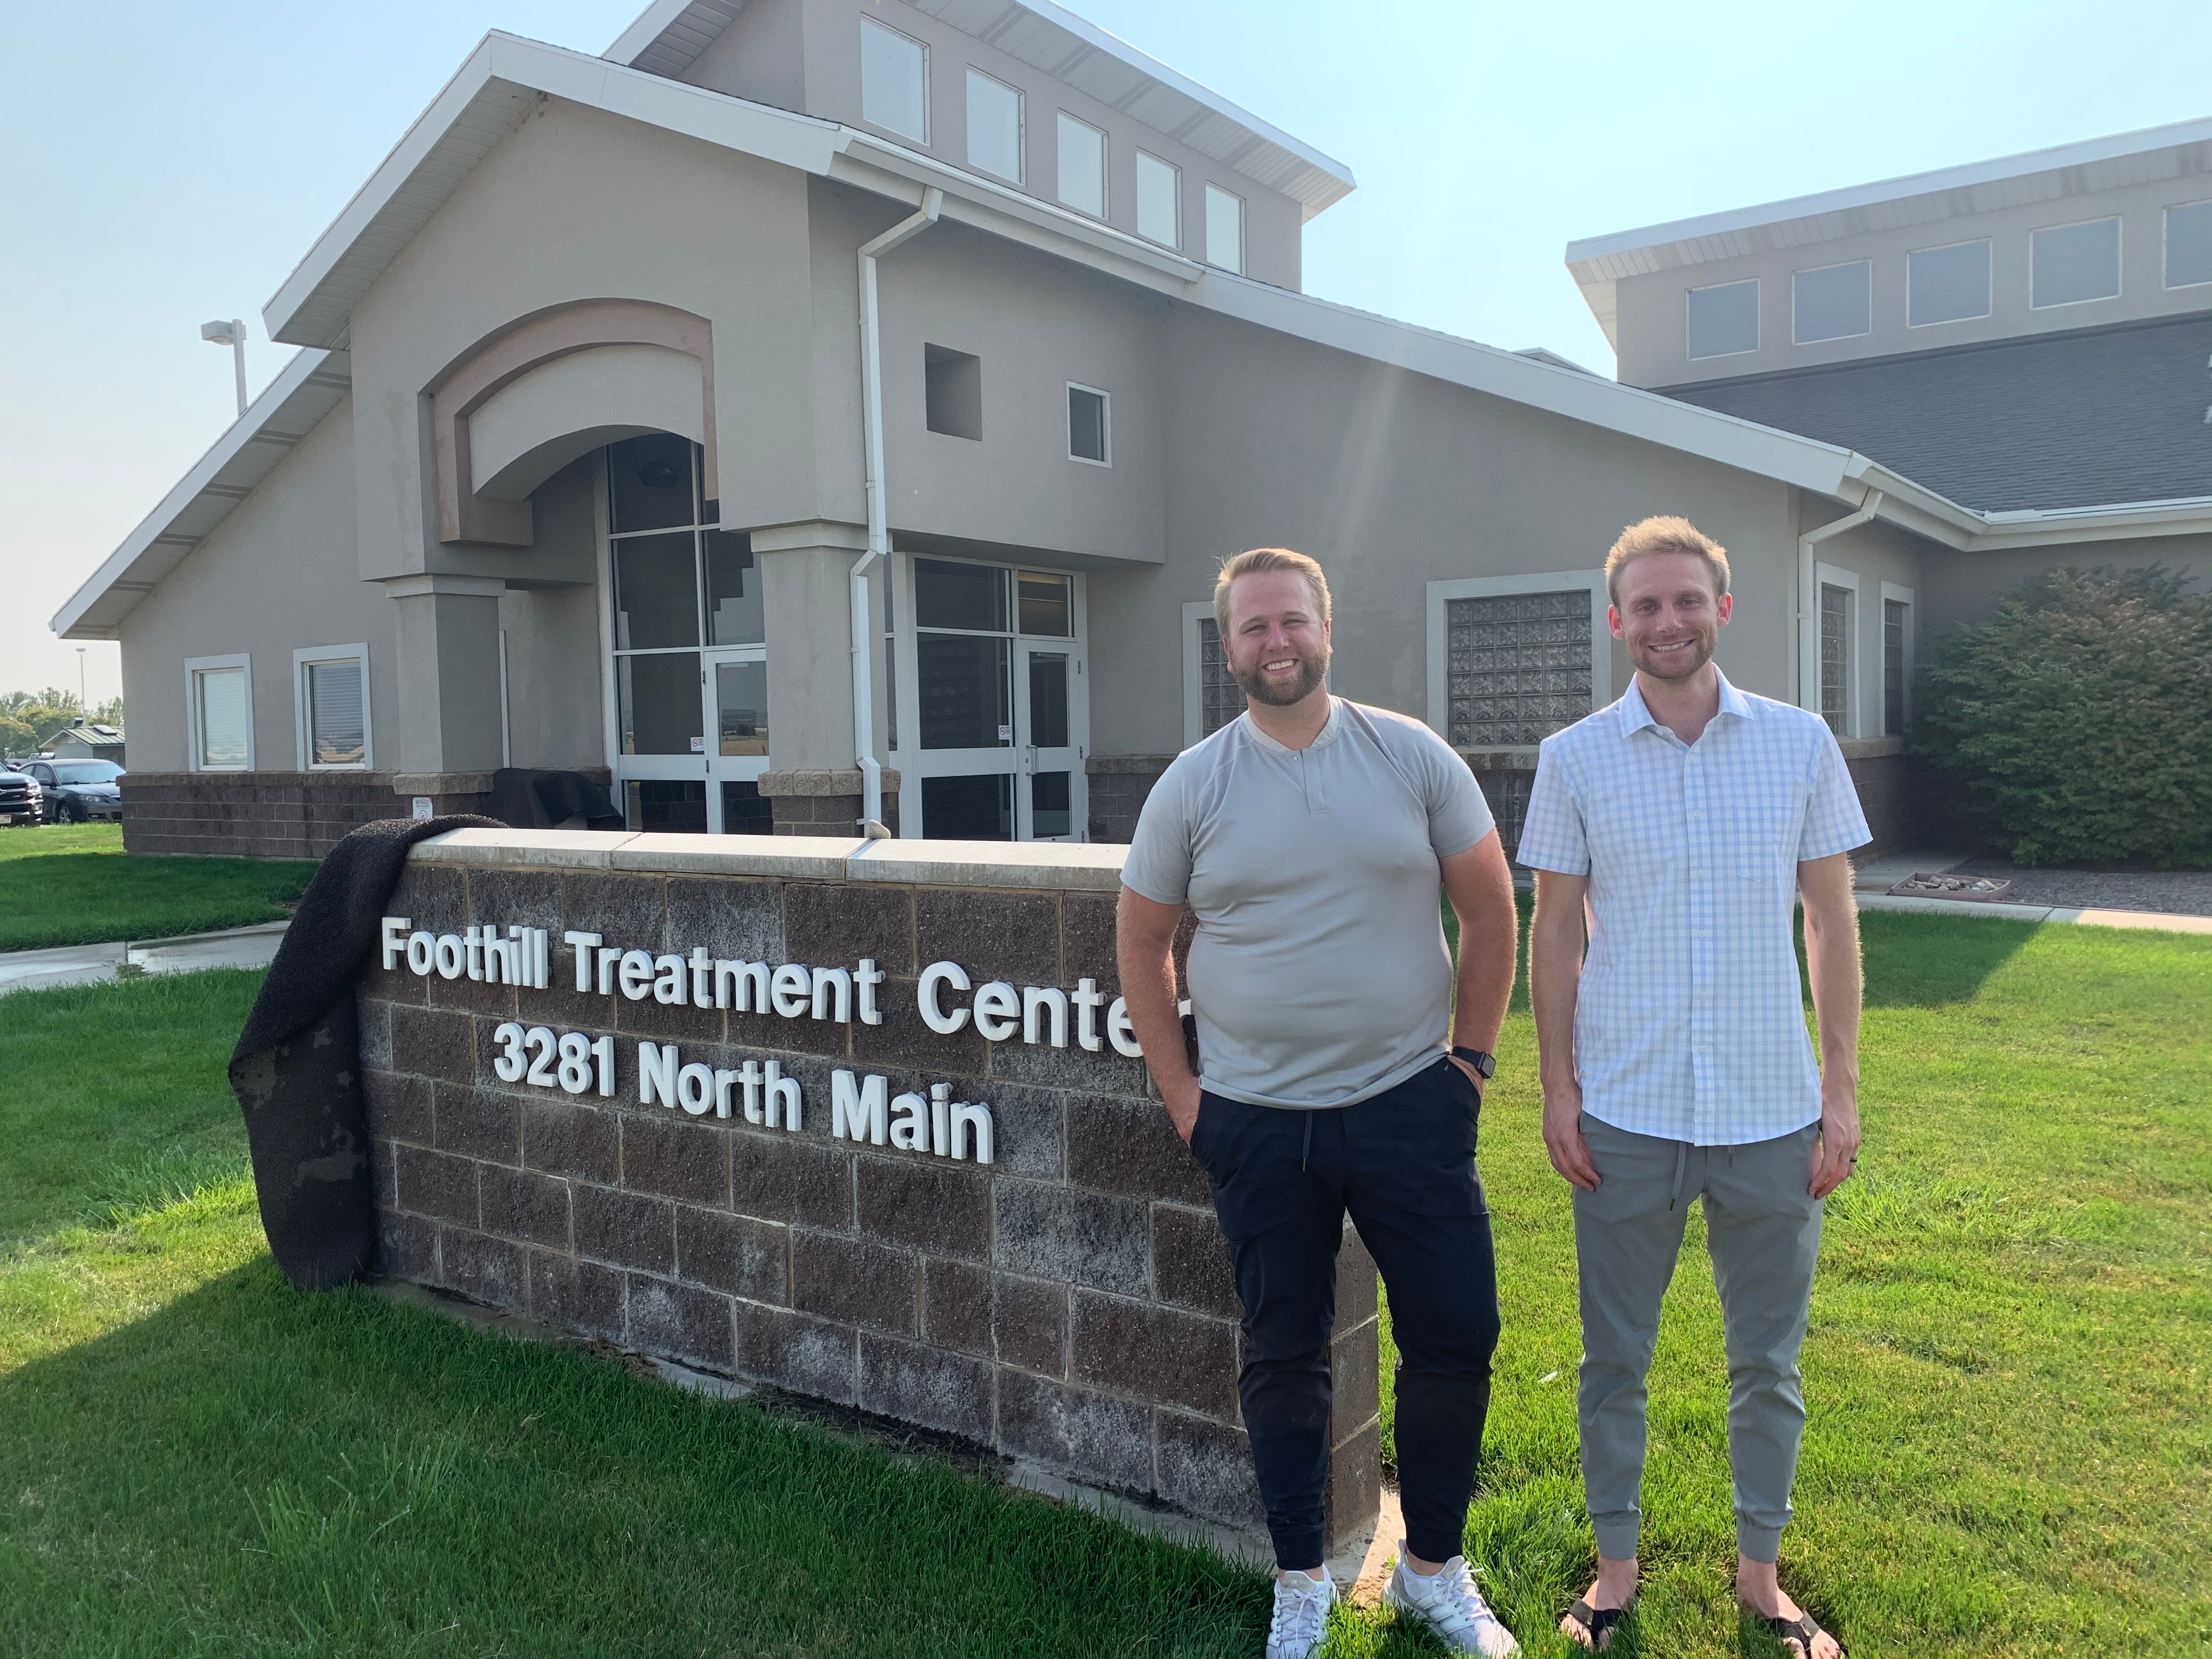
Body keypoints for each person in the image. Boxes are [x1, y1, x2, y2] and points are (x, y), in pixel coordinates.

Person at [1118, 548, 1523, 1659]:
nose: (1276, 642)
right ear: (1228, 645)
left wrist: (1471, 1066)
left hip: (1409, 1103)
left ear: (1327, 631)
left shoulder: (1411, 756)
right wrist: (1186, 1097)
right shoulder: (1193, 785)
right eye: (1253, 628)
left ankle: (1433, 1573)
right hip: (1254, 1118)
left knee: (1456, 1334)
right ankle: (1301, 1578)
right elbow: (1144, 943)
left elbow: (1491, 911)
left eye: (1292, 621)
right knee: (1283, 1349)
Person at [1518, 517, 1866, 1659]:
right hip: (1626, 1110)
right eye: (1646, 606)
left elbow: (1831, 921)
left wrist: (1842, 1088)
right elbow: (1554, 931)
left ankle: (1760, 1574)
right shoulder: (1572, 758)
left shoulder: (1801, 744)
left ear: (1724, 608)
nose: (1669, 622)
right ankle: (1617, 1568)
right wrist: (1558, 1091)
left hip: (1772, 1110)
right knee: (1615, 1358)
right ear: (1617, 621)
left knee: (1768, 1362)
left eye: (1688, 601)